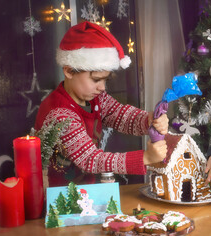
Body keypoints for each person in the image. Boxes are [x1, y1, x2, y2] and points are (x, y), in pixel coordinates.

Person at [35, 21, 168, 187]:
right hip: (59, 198)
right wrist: (145, 158)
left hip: (86, 193)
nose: (102, 87)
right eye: (96, 80)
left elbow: (121, 116)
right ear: (69, 71)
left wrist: (150, 120)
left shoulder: (96, 98)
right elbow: (90, 159)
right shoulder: (59, 112)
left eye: (105, 80)